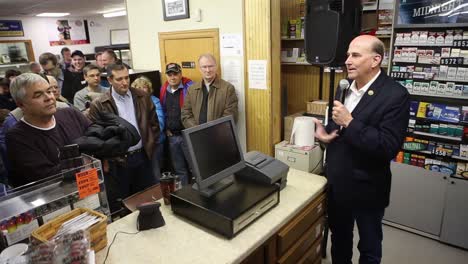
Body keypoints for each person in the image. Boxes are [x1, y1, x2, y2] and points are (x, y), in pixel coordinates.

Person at [313, 35, 410, 264]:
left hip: (368, 187)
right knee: (340, 238)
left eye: (355, 55)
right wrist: (326, 135)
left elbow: (388, 146)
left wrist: (350, 122)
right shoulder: (343, 86)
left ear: (375, 60)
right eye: (348, 55)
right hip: (338, 182)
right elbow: (337, 125)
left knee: (369, 245)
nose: (348, 60)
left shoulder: (395, 95)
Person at [88, 63, 159, 213]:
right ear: (110, 80)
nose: (125, 82)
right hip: (118, 162)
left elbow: (153, 125)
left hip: (143, 157)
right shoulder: (99, 104)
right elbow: (95, 139)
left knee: (148, 201)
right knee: (124, 205)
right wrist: (106, 159)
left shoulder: (142, 96)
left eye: (127, 77)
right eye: (119, 79)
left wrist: (151, 145)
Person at [6, 73, 91, 187]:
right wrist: (87, 159)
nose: (49, 98)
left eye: (49, 91)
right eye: (38, 95)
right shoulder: (17, 137)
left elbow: (98, 138)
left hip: (92, 188)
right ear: (21, 104)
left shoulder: (71, 114)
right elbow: (47, 177)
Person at [181, 53, 238, 128]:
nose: (207, 70)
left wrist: (212, 132)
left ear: (216, 67)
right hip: (197, 135)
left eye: (210, 66)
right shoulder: (191, 89)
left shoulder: (228, 89)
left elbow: (231, 115)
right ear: (199, 69)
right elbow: (186, 113)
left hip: (219, 136)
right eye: (204, 67)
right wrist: (196, 130)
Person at [160, 63, 193, 185]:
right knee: (179, 169)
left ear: (180, 74)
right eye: (170, 74)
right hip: (172, 137)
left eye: (175, 74)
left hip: (187, 134)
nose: (173, 77)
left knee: (194, 167)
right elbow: (163, 111)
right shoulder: (164, 89)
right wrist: (166, 128)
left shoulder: (190, 88)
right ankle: (186, 194)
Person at [131, 76, 164, 182]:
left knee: (155, 172)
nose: (141, 89)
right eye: (138, 87)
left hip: (155, 142)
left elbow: (160, 124)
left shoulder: (155, 101)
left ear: (149, 89)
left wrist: (147, 137)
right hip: (139, 145)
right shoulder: (132, 102)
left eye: (144, 87)